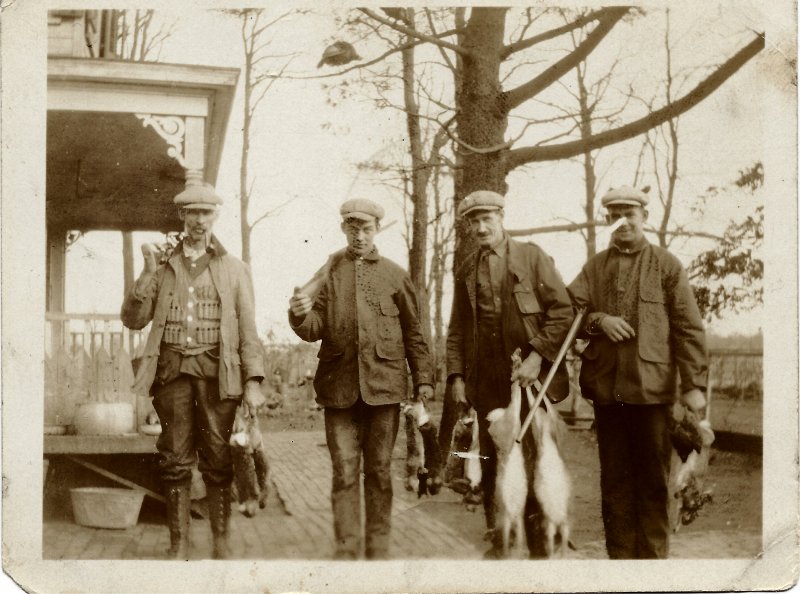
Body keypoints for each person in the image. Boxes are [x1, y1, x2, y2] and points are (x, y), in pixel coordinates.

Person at [121, 176, 266, 560]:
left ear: (215, 216)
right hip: (171, 375)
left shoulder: (234, 269)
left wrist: (253, 381)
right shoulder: (163, 265)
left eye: (206, 212)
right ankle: (178, 542)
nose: (199, 220)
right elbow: (134, 319)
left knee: (219, 457)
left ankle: (220, 541)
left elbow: (248, 329)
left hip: (219, 376)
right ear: (181, 215)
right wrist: (148, 270)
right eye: (192, 213)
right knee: (174, 457)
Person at [567, 185, 708, 559]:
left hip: (652, 396)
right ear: (607, 221)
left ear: (644, 217)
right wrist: (599, 321)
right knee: (614, 486)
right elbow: (567, 314)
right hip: (608, 395)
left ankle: (652, 569)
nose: (623, 221)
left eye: (630, 213)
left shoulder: (666, 265)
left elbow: (688, 328)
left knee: (653, 486)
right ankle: (621, 568)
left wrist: (694, 385)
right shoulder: (594, 268)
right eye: (615, 214)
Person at [288, 198, 433, 559]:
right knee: (344, 471)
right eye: (352, 228)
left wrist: (424, 381)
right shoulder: (328, 273)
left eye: (366, 228)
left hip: (384, 391)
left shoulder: (395, 276)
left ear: (376, 230)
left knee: (381, 471)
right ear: (343, 229)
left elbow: (415, 333)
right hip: (338, 391)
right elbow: (313, 328)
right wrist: (297, 315)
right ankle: (347, 549)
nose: (359, 235)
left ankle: (378, 548)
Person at [445, 190, 574, 558]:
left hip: (533, 385)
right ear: (469, 227)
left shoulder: (532, 258)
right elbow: (457, 329)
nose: (481, 227)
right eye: (474, 221)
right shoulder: (466, 271)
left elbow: (563, 312)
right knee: (491, 467)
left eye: (488, 218)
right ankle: (501, 542)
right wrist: (456, 376)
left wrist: (537, 357)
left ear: (501, 217)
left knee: (538, 465)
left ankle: (541, 550)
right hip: (486, 385)